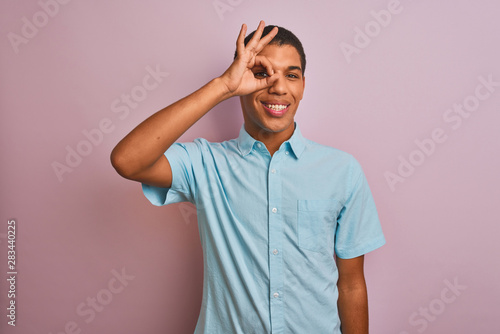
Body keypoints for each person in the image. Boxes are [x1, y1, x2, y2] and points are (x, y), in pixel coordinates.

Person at [111, 20, 385, 334]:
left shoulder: (342, 170)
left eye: (291, 75)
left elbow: (351, 284)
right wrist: (222, 87)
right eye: (261, 73)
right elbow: (127, 160)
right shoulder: (206, 163)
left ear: (303, 86)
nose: (279, 87)